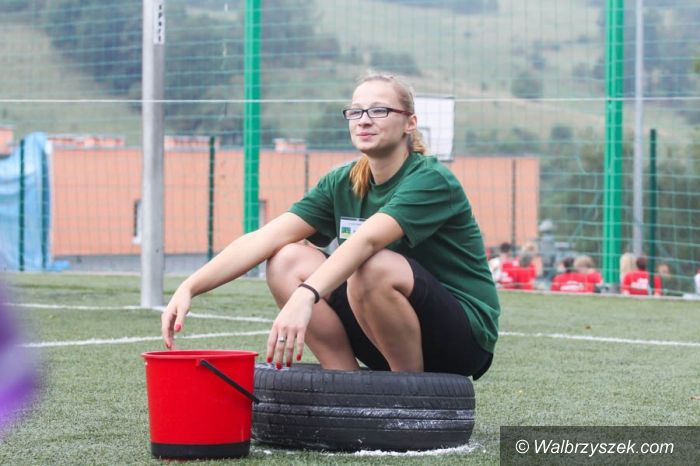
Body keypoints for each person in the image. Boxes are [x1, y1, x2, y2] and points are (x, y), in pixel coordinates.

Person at [160, 72, 500, 380]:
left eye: (379, 110)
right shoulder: (342, 181)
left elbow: (367, 242)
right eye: (356, 111)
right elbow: (267, 237)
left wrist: (305, 296)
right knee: (286, 259)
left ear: (409, 123)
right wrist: (190, 287)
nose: (364, 120)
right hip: (381, 330)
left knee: (370, 265)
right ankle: (344, 384)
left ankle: (407, 394)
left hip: (460, 341)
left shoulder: (431, 179)